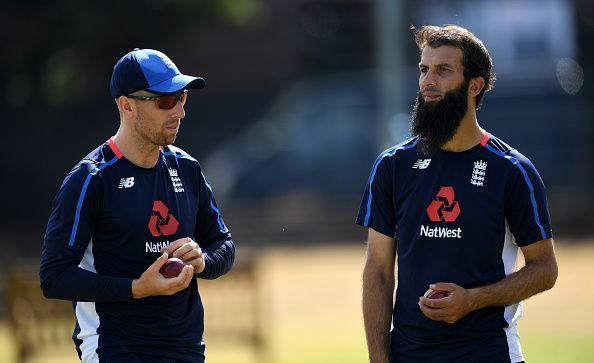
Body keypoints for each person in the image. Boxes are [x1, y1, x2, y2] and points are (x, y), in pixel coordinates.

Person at [357, 25, 558, 363]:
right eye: (424, 69)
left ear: (474, 85)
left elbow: (544, 269)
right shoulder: (393, 166)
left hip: (489, 353)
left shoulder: (512, 170)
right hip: (409, 355)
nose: (427, 81)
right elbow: (377, 269)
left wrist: (473, 299)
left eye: (443, 70)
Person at [40, 48, 235, 363]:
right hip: (115, 347)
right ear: (127, 105)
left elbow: (223, 244)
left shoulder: (187, 169)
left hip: (185, 348)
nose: (179, 112)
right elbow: (54, 277)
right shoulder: (91, 178)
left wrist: (203, 261)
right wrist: (135, 288)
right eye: (165, 101)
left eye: (181, 97)